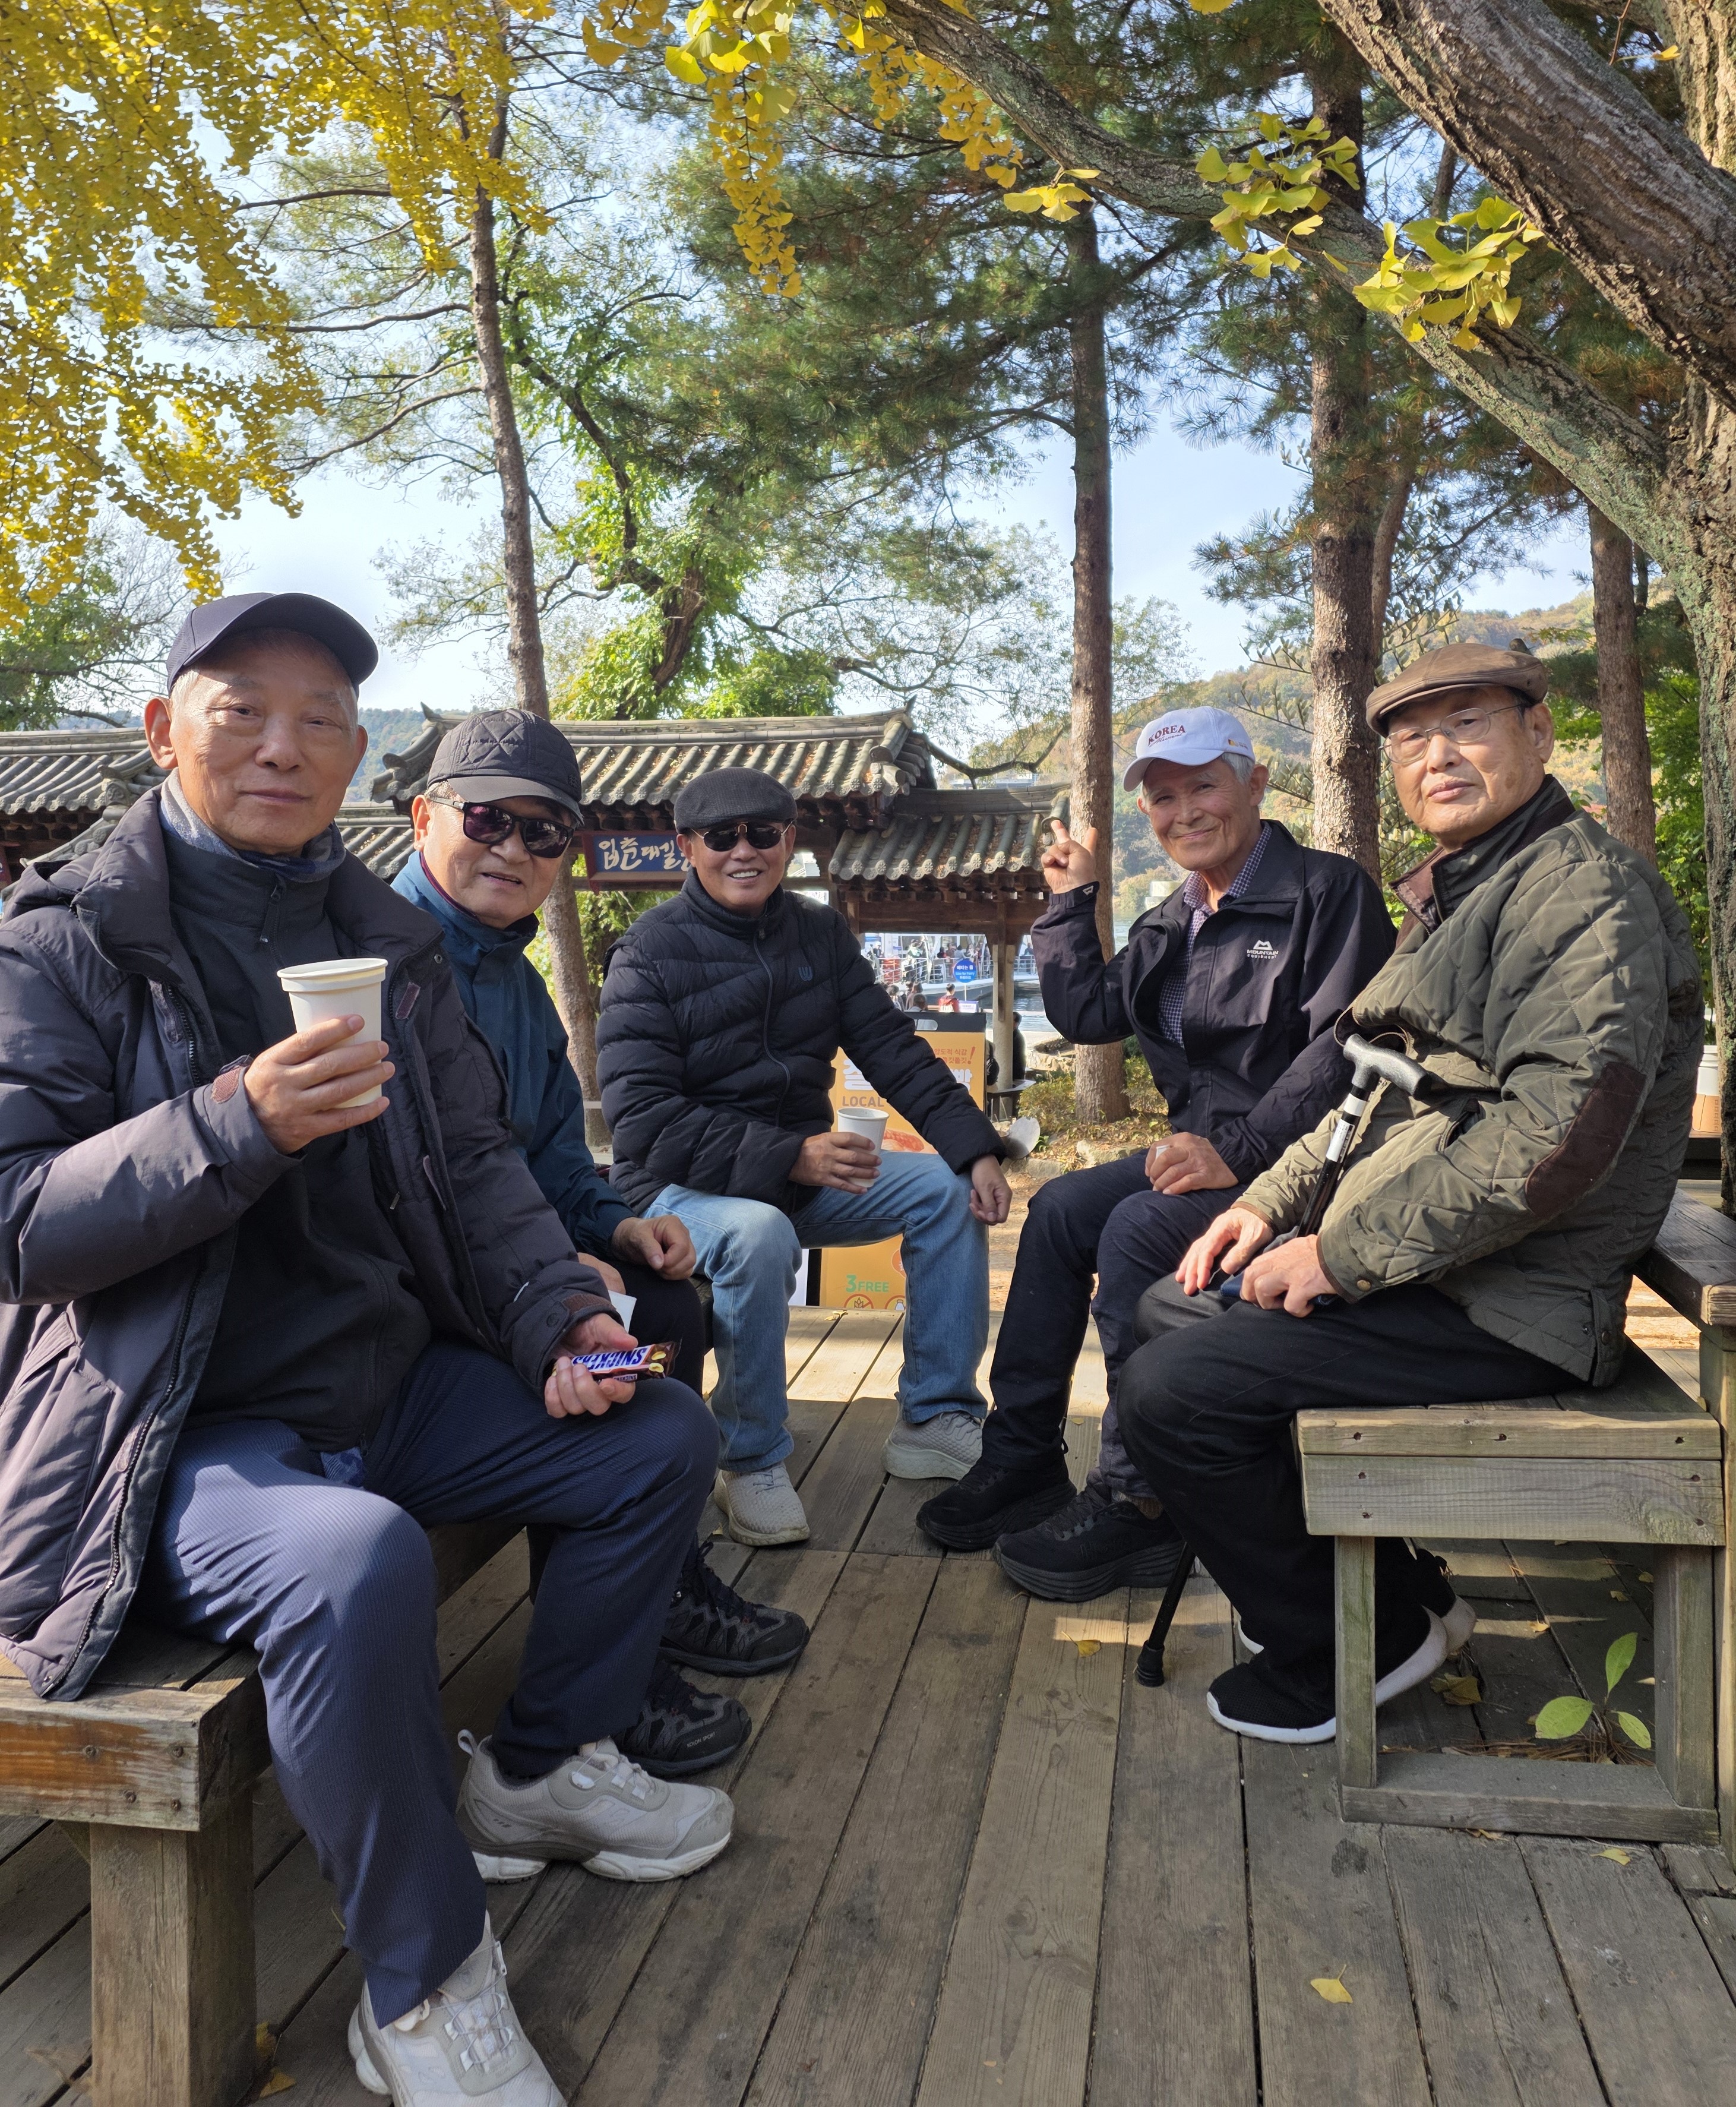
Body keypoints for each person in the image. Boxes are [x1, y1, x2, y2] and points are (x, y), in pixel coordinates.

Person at [0, 592, 734, 2107]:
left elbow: (479, 1169)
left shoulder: (386, 945)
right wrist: (235, 1123)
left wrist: (563, 1315)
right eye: (243, 712)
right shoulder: (64, 938)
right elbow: (19, 1219)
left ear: (356, 759)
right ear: (162, 731)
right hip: (172, 1430)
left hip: (382, 1382)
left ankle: (536, 1769)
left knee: (655, 1428)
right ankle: (423, 1982)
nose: (283, 746)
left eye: (321, 720)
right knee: (355, 1562)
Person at [1116, 642, 1700, 1743]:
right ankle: (1401, 1592)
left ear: (1539, 733)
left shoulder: (1584, 894)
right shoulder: (1469, 886)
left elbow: (1556, 1139)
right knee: (1168, 1304)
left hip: (1514, 1298)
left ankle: (1355, 1646)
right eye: (1412, 740)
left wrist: (1338, 1257)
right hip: (1445, 1267)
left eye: (1469, 725)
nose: (1438, 757)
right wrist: (1268, 1206)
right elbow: (1368, 1086)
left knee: (1172, 1393)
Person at [394, 709, 811, 1781]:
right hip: (425, 1310)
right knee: (631, 1394)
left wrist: (618, 1225)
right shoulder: (386, 970)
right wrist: (548, 1281)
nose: (514, 848)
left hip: (514, 1272)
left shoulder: (514, 977)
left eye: (543, 833)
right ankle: (609, 1662)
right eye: (487, 819)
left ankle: (650, 1587)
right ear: (424, 818)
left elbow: (550, 1158)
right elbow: (411, 1195)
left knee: (668, 1306)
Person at [919, 706, 1395, 1600]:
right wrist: (1070, 902)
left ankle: (1140, 1495)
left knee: (1137, 1226)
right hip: (1208, 1157)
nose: (1184, 812)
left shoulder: (1327, 893)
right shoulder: (1173, 918)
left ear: (1255, 784)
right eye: (1164, 798)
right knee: (1059, 1211)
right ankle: (1023, 1455)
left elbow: (1343, 1047)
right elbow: (1088, 1014)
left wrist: (1241, 1151)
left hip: (1310, 1167)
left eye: (1204, 786)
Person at [597, 766, 1012, 1546]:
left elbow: (892, 1048)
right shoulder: (649, 952)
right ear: (687, 848)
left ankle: (934, 1416)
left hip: (795, 1175)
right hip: (675, 1190)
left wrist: (974, 1149)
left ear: (788, 841)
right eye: (721, 838)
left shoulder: (819, 933)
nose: (743, 851)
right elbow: (641, 1118)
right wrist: (790, 1155)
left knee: (944, 1189)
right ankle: (749, 1456)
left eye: (762, 833)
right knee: (757, 1233)